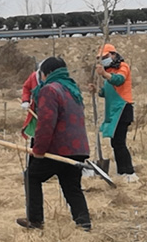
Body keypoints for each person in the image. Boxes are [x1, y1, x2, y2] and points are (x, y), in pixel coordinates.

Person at [16, 56, 92, 231]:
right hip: (78, 148)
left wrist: (39, 149)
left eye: (41, 74)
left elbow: (46, 122)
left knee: (32, 176)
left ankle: (35, 220)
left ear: (47, 73)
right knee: (72, 186)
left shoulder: (50, 90)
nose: (41, 78)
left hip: (58, 148)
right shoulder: (73, 89)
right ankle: (84, 222)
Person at [91, 44, 138, 183]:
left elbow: (119, 80)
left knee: (119, 142)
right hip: (113, 110)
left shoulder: (123, 67)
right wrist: (97, 90)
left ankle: (129, 171)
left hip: (123, 108)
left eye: (105, 57)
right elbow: (108, 92)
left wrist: (105, 75)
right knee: (115, 142)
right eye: (101, 58)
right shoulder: (109, 71)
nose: (104, 60)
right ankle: (121, 171)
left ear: (113, 54)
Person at [20, 63, 41, 140]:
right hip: (36, 111)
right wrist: (25, 100)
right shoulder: (34, 77)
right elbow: (26, 87)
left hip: (50, 113)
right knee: (34, 136)